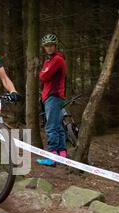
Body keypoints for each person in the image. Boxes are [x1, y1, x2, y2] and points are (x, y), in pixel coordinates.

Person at [37, 33, 67, 167]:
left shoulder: (57, 60)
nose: (48, 48)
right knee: (58, 126)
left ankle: (52, 157)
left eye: (51, 45)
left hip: (53, 96)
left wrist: (43, 72)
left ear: (55, 46)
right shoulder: (50, 60)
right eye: (46, 46)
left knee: (51, 127)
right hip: (54, 96)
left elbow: (43, 76)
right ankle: (62, 155)